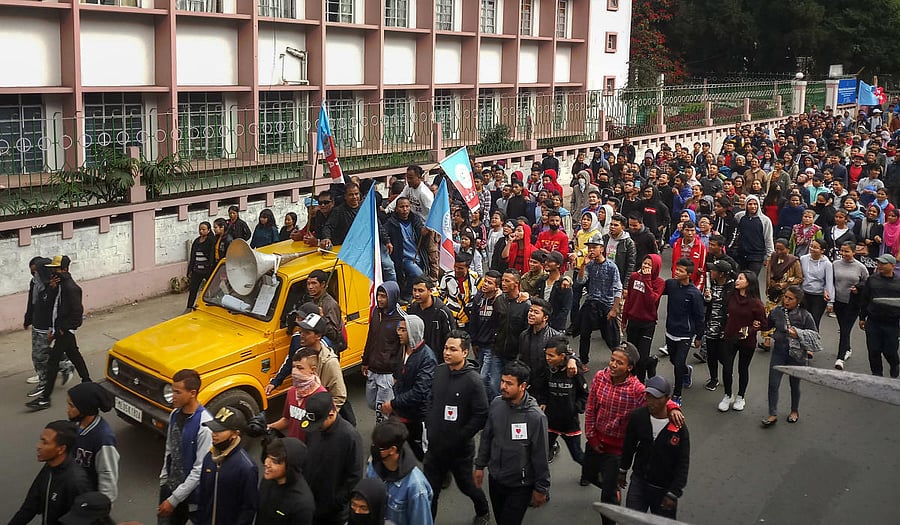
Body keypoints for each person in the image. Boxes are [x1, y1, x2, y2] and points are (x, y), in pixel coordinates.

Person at [423, 330, 490, 523]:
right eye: (445, 348)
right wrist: (429, 419)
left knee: (467, 486)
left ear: (465, 352)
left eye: (453, 349)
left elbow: (481, 414)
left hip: (459, 451)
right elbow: (431, 398)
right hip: (435, 449)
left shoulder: (473, 381)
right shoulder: (440, 371)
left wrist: (461, 435)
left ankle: (483, 510)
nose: (447, 352)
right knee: (430, 492)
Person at [474, 361, 550, 525]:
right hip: (495, 479)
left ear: (523, 386)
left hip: (520, 486)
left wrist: (541, 488)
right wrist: (480, 465)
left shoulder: (536, 417)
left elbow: (540, 455)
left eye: (509, 383)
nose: (503, 386)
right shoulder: (496, 404)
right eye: (502, 381)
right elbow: (487, 437)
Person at [618, 376, 690, 520]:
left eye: (656, 398)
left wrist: (673, 493)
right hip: (639, 482)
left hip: (664, 489)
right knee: (632, 520)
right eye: (648, 396)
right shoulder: (638, 417)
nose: (651, 402)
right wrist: (622, 470)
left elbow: (683, 462)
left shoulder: (678, 427)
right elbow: (629, 446)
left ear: (667, 398)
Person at [28, 255, 91, 411]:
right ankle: (87, 382)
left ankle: (45, 399)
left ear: (65, 269)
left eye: (57, 269)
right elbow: (52, 307)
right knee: (74, 355)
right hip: (61, 329)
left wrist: (61, 330)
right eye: (52, 270)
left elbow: (77, 313)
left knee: (52, 362)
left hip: (65, 331)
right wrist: (51, 288)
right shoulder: (59, 285)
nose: (54, 272)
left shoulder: (71, 288)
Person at [158, 369, 213, 525]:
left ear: (192, 393)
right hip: (169, 487)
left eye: (177, 392)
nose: (172, 396)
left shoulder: (204, 425)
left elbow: (199, 469)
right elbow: (169, 449)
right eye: (172, 390)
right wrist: (163, 480)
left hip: (190, 496)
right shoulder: (174, 414)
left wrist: (174, 500)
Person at [10, 421, 91, 525]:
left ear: (61, 449)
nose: (38, 446)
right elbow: (30, 506)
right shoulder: (50, 467)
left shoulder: (75, 481)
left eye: (45, 442)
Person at [303, 391, 364, 525]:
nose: (315, 428)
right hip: (310, 503)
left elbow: (355, 476)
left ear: (331, 414)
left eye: (319, 423)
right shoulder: (314, 430)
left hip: (333, 513)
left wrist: (336, 502)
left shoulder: (349, 437)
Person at [381, 315, 436, 462]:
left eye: (403, 330)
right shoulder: (403, 350)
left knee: (422, 453)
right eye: (398, 329)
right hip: (401, 412)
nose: (399, 332)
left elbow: (420, 392)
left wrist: (393, 403)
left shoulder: (427, 358)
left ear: (413, 331)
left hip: (418, 416)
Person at [762, 286, 818, 426]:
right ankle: (772, 414)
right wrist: (758, 323)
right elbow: (767, 326)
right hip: (779, 352)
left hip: (797, 355)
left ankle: (794, 411)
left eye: (790, 298)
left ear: (798, 301)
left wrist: (798, 333)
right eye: (785, 297)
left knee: (794, 384)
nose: (786, 300)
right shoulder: (776, 312)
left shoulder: (805, 315)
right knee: (773, 384)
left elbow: (814, 335)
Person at [196, 406, 259, 525]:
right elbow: (203, 496)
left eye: (220, 430)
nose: (214, 434)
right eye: (213, 429)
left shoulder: (247, 468)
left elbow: (248, 510)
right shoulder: (209, 458)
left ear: (235, 434)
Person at [366, 419, 434, 525]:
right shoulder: (373, 466)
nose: (373, 448)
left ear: (392, 450)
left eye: (378, 446)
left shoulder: (416, 487)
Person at [718, 271, 767, 412]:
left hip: (747, 341)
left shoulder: (757, 304)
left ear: (749, 283)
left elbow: (764, 324)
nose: (737, 281)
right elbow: (724, 312)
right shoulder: (731, 296)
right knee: (727, 368)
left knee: (742, 369)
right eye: (737, 278)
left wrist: (750, 329)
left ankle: (741, 396)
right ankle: (728, 395)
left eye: (741, 279)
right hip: (729, 337)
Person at [536, 336, 588, 466]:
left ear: (562, 356)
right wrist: (543, 402)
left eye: (551, 355)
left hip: (569, 424)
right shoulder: (547, 369)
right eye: (546, 354)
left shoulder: (574, 371)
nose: (548, 358)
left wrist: (574, 408)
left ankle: (590, 474)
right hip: (550, 421)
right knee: (541, 453)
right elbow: (542, 388)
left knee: (578, 456)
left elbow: (584, 394)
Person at [661, 258, 706, 405]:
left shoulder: (694, 294)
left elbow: (700, 317)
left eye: (680, 270)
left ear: (688, 274)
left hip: (685, 335)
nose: (676, 272)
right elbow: (656, 289)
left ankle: (677, 394)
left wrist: (699, 337)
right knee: (674, 361)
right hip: (670, 330)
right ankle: (687, 371)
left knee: (678, 364)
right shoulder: (671, 284)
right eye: (676, 269)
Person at [574, 234, 622, 370]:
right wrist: (583, 265)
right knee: (584, 334)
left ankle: (618, 360)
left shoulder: (612, 267)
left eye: (594, 247)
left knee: (612, 337)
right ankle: (583, 361)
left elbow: (618, 288)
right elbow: (580, 281)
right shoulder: (590, 265)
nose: (591, 250)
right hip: (591, 303)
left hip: (606, 305)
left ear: (601, 249)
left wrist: (614, 309)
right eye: (589, 248)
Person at [66, 382, 119, 502]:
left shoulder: (103, 438)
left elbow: (107, 477)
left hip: (87, 501)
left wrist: (101, 508)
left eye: (72, 406)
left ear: (85, 409)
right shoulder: (74, 425)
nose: (67, 410)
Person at [361, 282, 403, 423]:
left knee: (382, 412)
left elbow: (402, 349)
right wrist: (365, 361)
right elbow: (370, 337)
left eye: (383, 296)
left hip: (387, 373)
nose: (379, 299)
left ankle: (383, 437)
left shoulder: (401, 319)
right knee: (371, 403)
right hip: (373, 369)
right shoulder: (376, 312)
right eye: (378, 295)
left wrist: (397, 374)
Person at [268, 347, 328, 442]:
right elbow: (287, 420)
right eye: (294, 367)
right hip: (294, 448)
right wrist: (268, 427)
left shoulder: (321, 396)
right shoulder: (292, 392)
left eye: (300, 368)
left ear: (312, 370)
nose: (295, 372)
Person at [622, 254, 666, 383]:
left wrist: (646, 279)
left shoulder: (659, 283)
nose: (645, 266)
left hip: (647, 324)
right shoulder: (635, 277)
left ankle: (640, 385)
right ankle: (633, 381)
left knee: (642, 357)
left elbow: (651, 300)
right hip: (633, 321)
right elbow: (629, 298)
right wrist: (624, 319)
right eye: (644, 263)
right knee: (632, 356)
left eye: (649, 265)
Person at [256, 438, 315, 525]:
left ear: (290, 467)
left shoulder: (302, 505)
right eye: (268, 457)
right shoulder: (268, 480)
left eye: (274, 461)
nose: (267, 464)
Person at [858, 254, 900, 378]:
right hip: (873, 322)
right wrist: (861, 317)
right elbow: (865, 299)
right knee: (874, 350)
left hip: (892, 323)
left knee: (890, 350)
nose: (880, 266)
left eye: (883, 263)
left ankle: (894, 363)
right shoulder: (872, 279)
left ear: (892, 266)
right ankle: (877, 375)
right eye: (879, 263)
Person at [831, 242, 870, 370]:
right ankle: (847, 348)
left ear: (854, 252)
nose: (843, 254)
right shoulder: (835, 264)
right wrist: (829, 301)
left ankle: (840, 358)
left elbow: (867, 283)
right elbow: (831, 282)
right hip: (838, 302)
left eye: (847, 251)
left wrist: (858, 289)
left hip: (853, 303)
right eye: (842, 251)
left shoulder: (860, 267)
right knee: (843, 327)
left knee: (845, 329)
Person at [760, 238, 803, 352]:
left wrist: (787, 283)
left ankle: (785, 339)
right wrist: (768, 288)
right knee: (768, 315)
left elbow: (799, 278)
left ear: (788, 249)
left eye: (781, 249)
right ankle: (767, 341)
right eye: (776, 249)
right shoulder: (772, 258)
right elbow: (768, 274)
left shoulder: (794, 262)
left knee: (783, 317)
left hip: (785, 294)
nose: (778, 251)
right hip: (772, 292)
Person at [24, 256, 55, 397]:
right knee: (41, 354)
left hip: (46, 327)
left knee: (39, 355)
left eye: (36, 273)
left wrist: (53, 328)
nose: (34, 276)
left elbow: (56, 309)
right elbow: (31, 302)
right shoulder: (36, 284)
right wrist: (28, 319)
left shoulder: (52, 287)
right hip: (37, 324)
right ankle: (65, 364)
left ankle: (44, 384)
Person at [703, 260, 735, 393]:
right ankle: (713, 378)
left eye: (714, 270)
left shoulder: (733, 288)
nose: (711, 272)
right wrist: (706, 298)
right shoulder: (710, 284)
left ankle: (728, 378)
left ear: (722, 274)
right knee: (711, 355)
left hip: (725, 329)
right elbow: (706, 303)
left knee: (725, 357)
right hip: (711, 326)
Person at [385, 196, 427, 296]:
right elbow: (384, 232)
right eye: (401, 207)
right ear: (396, 209)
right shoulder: (392, 223)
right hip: (405, 258)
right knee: (418, 275)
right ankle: (407, 294)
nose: (405, 209)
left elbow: (420, 233)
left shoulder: (415, 219)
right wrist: (387, 241)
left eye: (407, 206)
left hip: (418, 256)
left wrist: (424, 233)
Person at [407, 277, 456, 356]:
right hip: (417, 356)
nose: (416, 294)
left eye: (421, 291)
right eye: (414, 290)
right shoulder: (411, 309)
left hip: (437, 358)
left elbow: (451, 338)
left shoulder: (442, 312)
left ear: (430, 291)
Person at [799, 238, 834, 328]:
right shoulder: (803, 259)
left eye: (815, 247)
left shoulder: (827, 264)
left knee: (814, 321)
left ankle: (813, 340)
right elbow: (800, 276)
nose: (812, 249)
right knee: (801, 320)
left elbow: (829, 282)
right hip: (804, 294)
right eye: (811, 246)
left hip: (819, 296)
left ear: (822, 250)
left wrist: (830, 302)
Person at [734, 195, 774, 273]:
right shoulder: (739, 216)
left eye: (755, 204)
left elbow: (768, 238)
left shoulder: (765, 220)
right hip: (742, 255)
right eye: (750, 204)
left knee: (752, 280)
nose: (753, 206)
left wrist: (769, 256)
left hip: (756, 256)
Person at [186, 222, 215, 310]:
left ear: (209, 230)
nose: (201, 231)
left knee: (213, 288)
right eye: (200, 229)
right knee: (193, 289)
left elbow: (212, 256)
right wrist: (190, 270)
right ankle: (189, 307)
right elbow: (192, 257)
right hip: (197, 270)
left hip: (207, 270)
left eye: (203, 229)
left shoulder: (211, 241)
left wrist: (210, 266)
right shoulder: (196, 241)